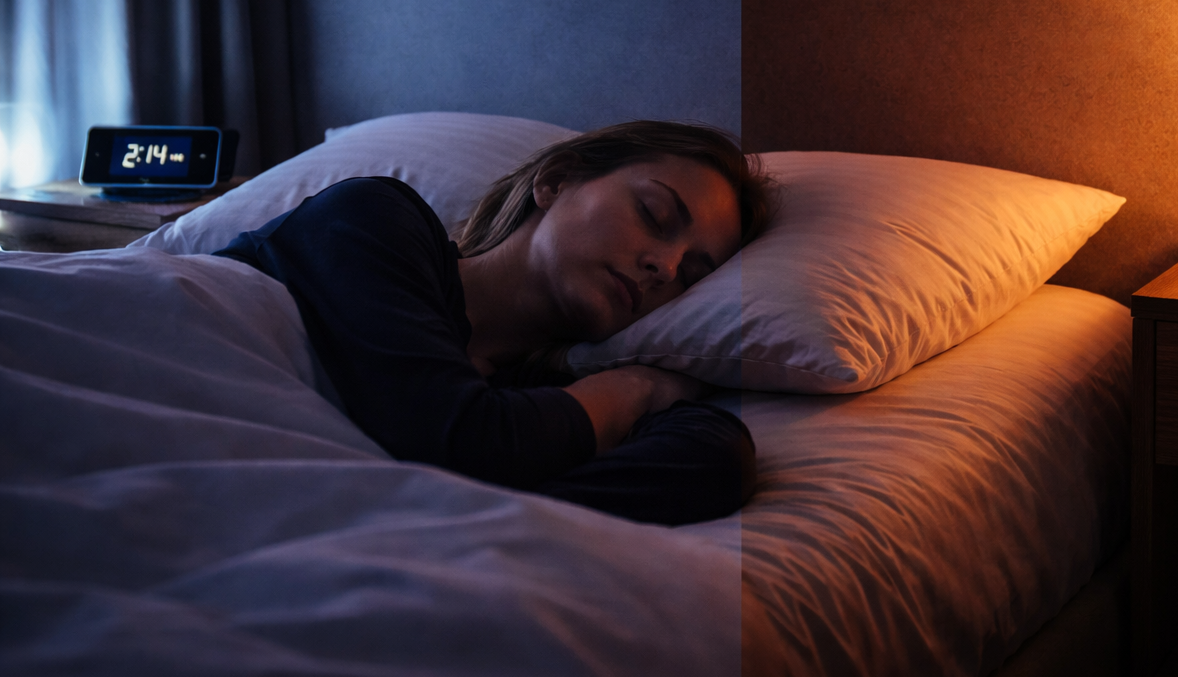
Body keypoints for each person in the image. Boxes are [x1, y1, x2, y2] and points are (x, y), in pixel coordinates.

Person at [214, 121, 774, 525]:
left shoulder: (537, 402)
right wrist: (639, 386)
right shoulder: (375, 219)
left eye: (691, 275)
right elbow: (461, 439)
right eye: (654, 215)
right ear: (556, 181)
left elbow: (714, 460)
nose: (665, 267)